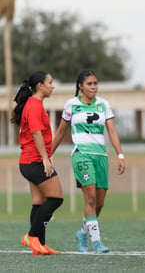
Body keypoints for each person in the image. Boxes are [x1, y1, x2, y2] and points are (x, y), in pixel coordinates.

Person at [52, 70, 125, 253]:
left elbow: (112, 131)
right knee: (90, 198)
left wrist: (120, 155)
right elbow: (61, 132)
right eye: (89, 84)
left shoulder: (103, 104)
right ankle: (97, 242)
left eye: (95, 83)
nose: (93, 87)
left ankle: (82, 233)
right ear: (80, 86)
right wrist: (48, 154)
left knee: (99, 202)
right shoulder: (71, 104)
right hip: (81, 154)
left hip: (100, 156)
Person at [11, 71, 64, 255]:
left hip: (28, 161)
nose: (53, 86)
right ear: (40, 86)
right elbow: (36, 133)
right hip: (34, 161)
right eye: (50, 82)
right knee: (56, 198)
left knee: (39, 202)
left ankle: (39, 245)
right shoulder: (34, 106)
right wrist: (45, 159)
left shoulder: (34, 104)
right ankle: (32, 236)